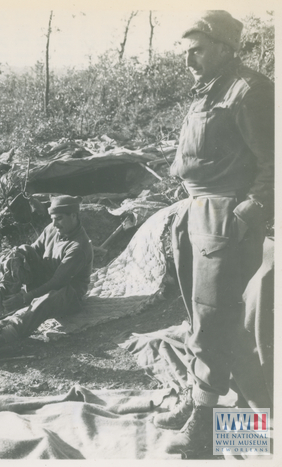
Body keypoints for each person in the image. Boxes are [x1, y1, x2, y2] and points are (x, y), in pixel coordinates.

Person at [154, 11, 274, 456]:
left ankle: (204, 427)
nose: (189, 60)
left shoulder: (250, 91)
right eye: (185, 51)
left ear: (225, 47)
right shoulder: (209, 90)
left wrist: (248, 213)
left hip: (226, 218)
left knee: (215, 320)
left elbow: (273, 163)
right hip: (196, 214)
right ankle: (215, 407)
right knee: (199, 316)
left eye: (198, 50)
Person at [0, 195, 93, 359]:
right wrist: (17, 258)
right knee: (21, 250)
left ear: (73, 216)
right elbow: (33, 249)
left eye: (59, 219)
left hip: (69, 293)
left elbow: (58, 282)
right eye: (53, 219)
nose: (55, 223)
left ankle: (0, 341)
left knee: (45, 300)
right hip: (48, 278)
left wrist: (26, 298)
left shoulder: (79, 247)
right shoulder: (52, 229)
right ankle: (3, 295)